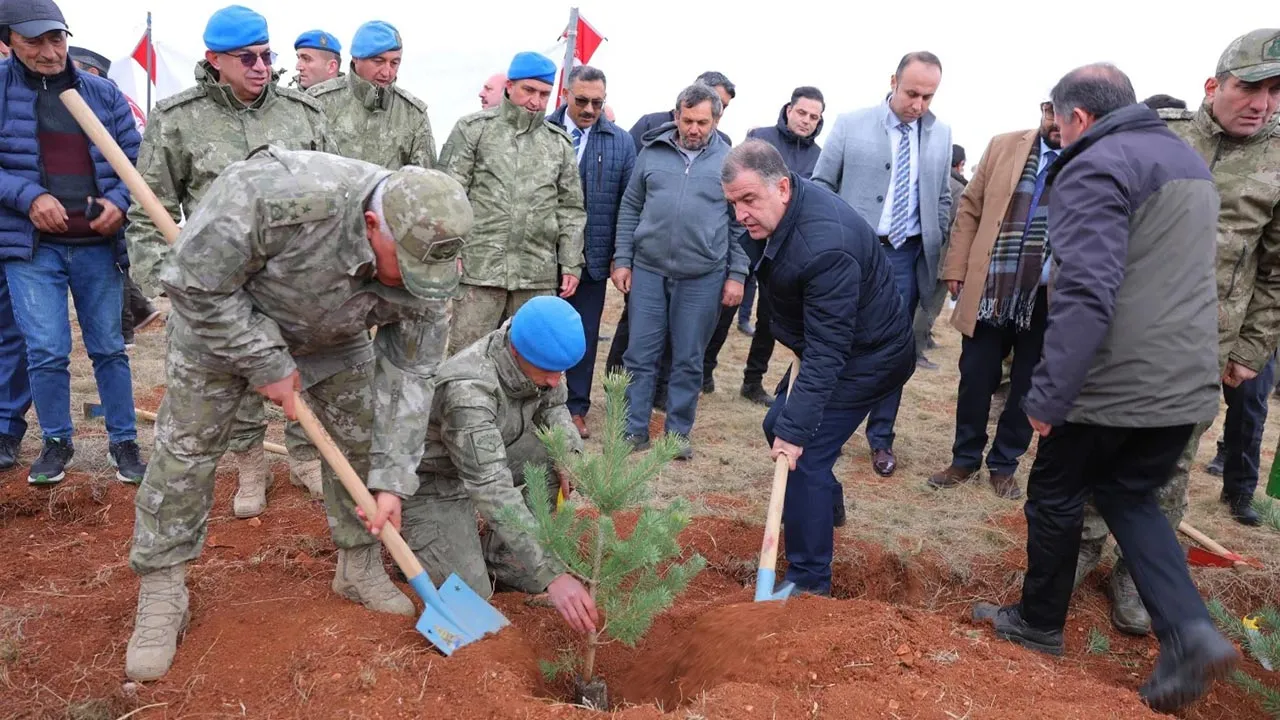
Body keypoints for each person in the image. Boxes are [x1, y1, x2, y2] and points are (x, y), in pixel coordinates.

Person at [124, 147, 469, 683]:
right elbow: (192, 283)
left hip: (331, 332)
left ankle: (357, 567)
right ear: (373, 225)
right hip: (221, 323)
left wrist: (393, 482)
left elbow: (411, 377)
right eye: (408, 268)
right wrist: (264, 359)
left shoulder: (431, 269)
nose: (417, 284)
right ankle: (163, 589)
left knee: (360, 440)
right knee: (186, 451)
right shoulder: (278, 194)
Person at [971, 63, 1238, 714]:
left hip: (1116, 379)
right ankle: (1189, 632)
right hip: (1186, 378)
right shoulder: (1185, 163)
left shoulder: (1093, 163)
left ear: (1079, 118)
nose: (1057, 135)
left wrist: (1050, 394)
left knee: (1056, 492)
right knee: (1129, 496)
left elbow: (1086, 288)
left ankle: (1037, 624)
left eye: (1059, 123)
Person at [1076, 27, 1280, 641]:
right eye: (1250, 87)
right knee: (1092, 448)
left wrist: (1250, 349)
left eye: (1276, 92)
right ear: (1214, 84)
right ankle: (1077, 552)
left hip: (1203, 349)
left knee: (1168, 466)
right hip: (1124, 336)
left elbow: (1275, 270)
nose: (1262, 103)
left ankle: (1136, 577)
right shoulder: (1158, 136)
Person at [125, 4, 330, 513]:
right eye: (246, 58)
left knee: (302, 371)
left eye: (267, 55)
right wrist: (168, 284)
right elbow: (149, 209)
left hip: (293, 278)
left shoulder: (302, 114)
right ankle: (250, 466)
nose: (261, 66)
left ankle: (305, 458)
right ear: (214, 59)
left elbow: (332, 194)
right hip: (221, 283)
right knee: (237, 375)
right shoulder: (176, 120)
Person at [722, 140, 913, 594]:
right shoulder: (780, 219)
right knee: (778, 425)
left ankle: (810, 581)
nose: (740, 215)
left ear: (783, 188)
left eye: (749, 201)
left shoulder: (826, 248)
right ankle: (824, 507)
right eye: (733, 203)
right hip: (828, 343)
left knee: (801, 454)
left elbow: (830, 351)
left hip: (869, 356)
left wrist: (799, 431)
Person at [0, 0, 147, 485]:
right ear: (10, 43)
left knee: (109, 348)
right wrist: (30, 197)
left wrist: (120, 204)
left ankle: (124, 443)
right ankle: (57, 443)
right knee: (45, 350)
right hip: (33, 249)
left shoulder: (103, 94)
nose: (49, 52)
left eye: (56, 38)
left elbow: (137, 159)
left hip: (97, 248)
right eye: (34, 41)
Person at [396, 296, 598, 635]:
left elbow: (554, 405)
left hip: (487, 458)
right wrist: (551, 573)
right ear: (517, 353)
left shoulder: (539, 353)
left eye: (561, 371)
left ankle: (506, 560)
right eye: (549, 372)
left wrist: (568, 452)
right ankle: (423, 546)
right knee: (473, 599)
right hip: (432, 484)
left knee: (551, 455)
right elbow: (491, 489)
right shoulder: (469, 390)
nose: (554, 380)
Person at [811, 51, 953, 478]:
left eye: (928, 96)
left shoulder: (941, 134)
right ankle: (820, 429)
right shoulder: (851, 124)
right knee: (835, 340)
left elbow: (942, 197)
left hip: (907, 258)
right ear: (893, 81)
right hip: (853, 256)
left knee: (895, 350)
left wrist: (937, 234)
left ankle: (882, 437)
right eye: (912, 93)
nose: (919, 104)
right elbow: (820, 186)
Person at [929, 105, 1061, 500]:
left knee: (1028, 384)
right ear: (1045, 109)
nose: (1058, 124)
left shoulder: (1089, 158)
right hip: (991, 287)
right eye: (1054, 113)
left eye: (1069, 114)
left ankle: (1004, 464)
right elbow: (970, 207)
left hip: (1048, 297)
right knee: (976, 376)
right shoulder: (1004, 146)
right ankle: (964, 458)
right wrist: (956, 266)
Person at [613, 83, 747, 460]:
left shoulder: (731, 164)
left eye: (702, 122)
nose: (693, 129)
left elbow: (740, 226)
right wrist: (623, 259)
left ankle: (677, 435)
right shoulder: (651, 153)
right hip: (649, 271)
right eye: (687, 120)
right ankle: (633, 429)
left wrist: (736, 274)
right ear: (676, 116)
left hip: (702, 276)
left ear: (716, 120)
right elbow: (630, 207)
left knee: (689, 358)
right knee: (639, 353)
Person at [439, 51, 585, 355]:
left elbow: (570, 208)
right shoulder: (474, 130)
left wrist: (570, 261)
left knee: (533, 357)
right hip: (481, 270)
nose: (535, 101)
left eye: (544, 94)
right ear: (509, 86)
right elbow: (449, 194)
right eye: (528, 90)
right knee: (467, 355)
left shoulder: (558, 143)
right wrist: (450, 249)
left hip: (536, 275)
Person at [546, 65, 635, 439]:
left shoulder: (621, 142)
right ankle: (535, 403)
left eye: (597, 102)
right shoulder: (543, 131)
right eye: (581, 100)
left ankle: (575, 407)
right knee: (541, 329)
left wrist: (619, 253)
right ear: (566, 94)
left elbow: (628, 202)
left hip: (592, 260)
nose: (589, 109)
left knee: (581, 334)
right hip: (543, 256)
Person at [731, 86, 826, 407]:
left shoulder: (820, 157)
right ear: (789, 110)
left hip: (786, 249)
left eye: (814, 117)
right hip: (744, 239)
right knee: (723, 306)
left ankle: (752, 381)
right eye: (802, 113)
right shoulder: (761, 139)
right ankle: (703, 370)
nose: (806, 121)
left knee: (770, 318)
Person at [308, 20, 436, 170]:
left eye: (394, 63)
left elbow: (424, 181)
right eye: (378, 61)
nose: (387, 72)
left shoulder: (413, 114)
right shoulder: (318, 102)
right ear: (356, 58)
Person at [914, 143, 966, 370]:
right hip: (941, 257)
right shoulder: (958, 189)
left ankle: (923, 340)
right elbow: (955, 226)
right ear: (960, 164)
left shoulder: (935, 180)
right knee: (928, 306)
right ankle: (914, 352)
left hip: (923, 251)